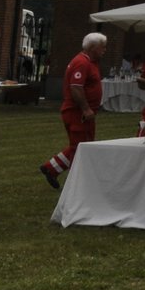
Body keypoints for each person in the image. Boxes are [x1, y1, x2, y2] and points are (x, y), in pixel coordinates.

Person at [40, 32, 106, 189]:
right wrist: (86, 109)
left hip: (82, 113)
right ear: (92, 47)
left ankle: (51, 168)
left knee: (81, 145)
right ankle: (76, 185)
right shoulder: (81, 63)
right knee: (81, 148)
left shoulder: (90, 62)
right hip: (78, 113)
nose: (104, 50)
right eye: (102, 47)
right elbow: (75, 88)